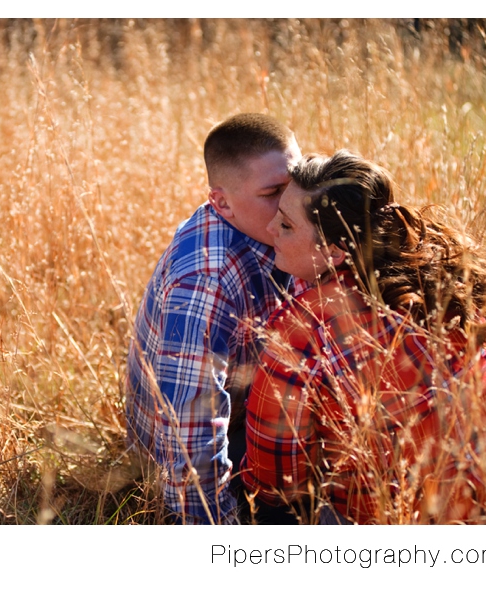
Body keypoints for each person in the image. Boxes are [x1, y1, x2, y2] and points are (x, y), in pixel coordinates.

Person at [242, 150, 486, 524]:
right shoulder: (439, 278)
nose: (269, 228)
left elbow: (275, 485)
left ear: (334, 251)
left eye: (286, 225)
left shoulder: (305, 327)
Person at [125, 113, 301, 524]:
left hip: (244, 405)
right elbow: (189, 431)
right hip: (180, 454)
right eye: (273, 192)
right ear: (221, 202)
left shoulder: (269, 227)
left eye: (295, 183)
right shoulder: (208, 280)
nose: (290, 202)